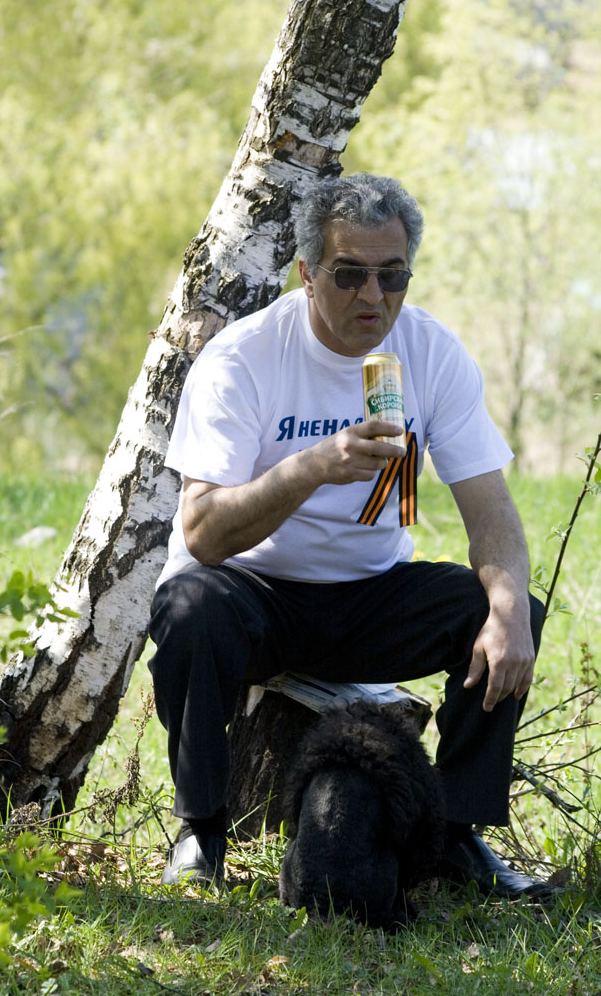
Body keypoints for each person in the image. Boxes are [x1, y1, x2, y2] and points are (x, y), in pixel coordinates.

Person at [147, 173, 550, 899]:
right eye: (349, 274)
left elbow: (489, 508)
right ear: (307, 274)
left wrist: (509, 609)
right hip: (254, 592)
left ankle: (457, 836)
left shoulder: (430, 352)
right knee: (189, 607)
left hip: (369, 595)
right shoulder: (243, 358)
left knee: (498, 607)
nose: (373, 296)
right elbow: (202, 534)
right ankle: (200, 831)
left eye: (392, 275)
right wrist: (311, 467)